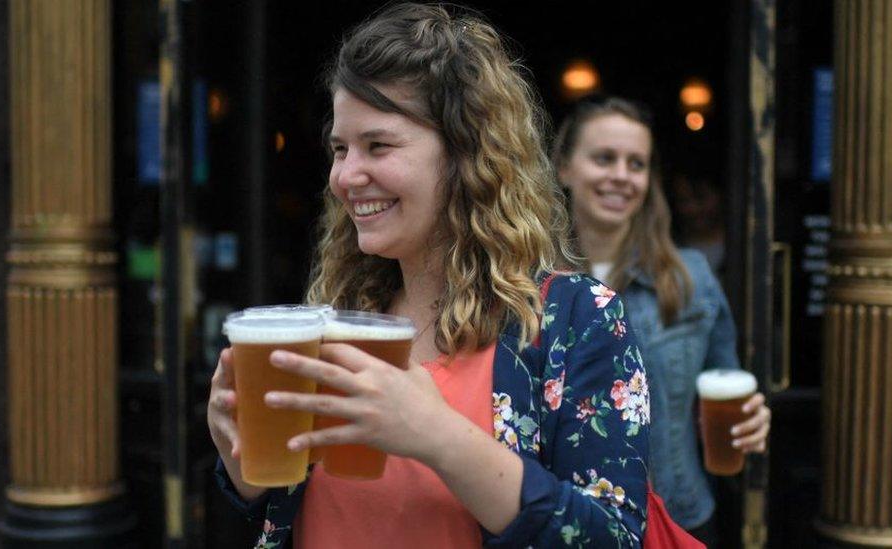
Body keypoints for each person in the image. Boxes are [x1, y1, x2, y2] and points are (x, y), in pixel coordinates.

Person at [207, 6, 651, 548]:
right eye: (340, 150)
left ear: (466, 153)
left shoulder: (575, 317)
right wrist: (246, 475)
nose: (346, 176)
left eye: (378, 145)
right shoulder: (342, 314)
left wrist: (439, 437)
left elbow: (613, 537)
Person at [552, 95, 771, 545]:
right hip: (559, 522)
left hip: (676, 517)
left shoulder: (690, 278)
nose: (620, 175)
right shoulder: (526, 280)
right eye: (604, 158)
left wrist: (751, 420)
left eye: (637, 164)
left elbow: (724, 384)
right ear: (564, 168)